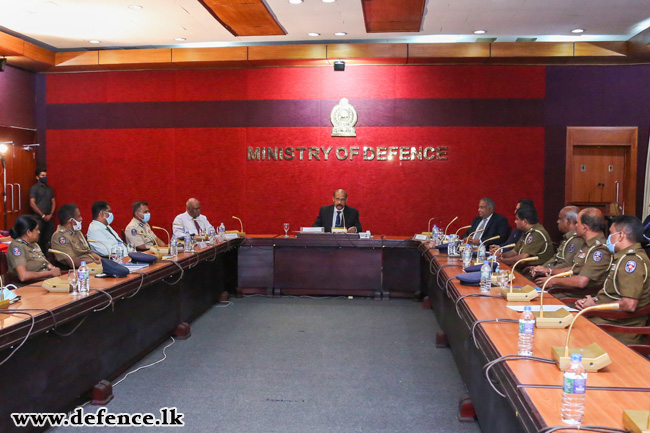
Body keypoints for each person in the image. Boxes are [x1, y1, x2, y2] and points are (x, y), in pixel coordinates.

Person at [575, 215, 650, 345]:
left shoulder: (631, 262)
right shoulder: (624, 257)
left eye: (610, 233)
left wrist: (595, 307)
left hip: (617, 327)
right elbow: (613, 294)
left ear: (621, 236)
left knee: (569, 330)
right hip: (606, 319)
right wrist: (593, 301)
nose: (608, 238)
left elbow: (629, 304)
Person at [533, 208, 611, 295]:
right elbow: (575, 268)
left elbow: (581, 281)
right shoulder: (587, 244)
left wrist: (553, 281)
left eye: (577, 223)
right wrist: (549, 271)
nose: (575, 226)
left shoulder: (600, 250)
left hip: (576, 297)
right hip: (567, 290)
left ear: (584, 227)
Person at [527, 206, 584, 277]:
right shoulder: (568, 238)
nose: (557, 221)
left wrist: (547, 271)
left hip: (557, 278)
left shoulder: (576, 241)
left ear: (568, 222)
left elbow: (566, 265)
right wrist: (540, 268)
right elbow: (555, 259)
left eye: (560, 219)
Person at [7, 215, 61, 286]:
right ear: (28, 232)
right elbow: (23, 276)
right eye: (37, 229)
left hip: (45, 281)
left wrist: (52, 269)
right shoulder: (17, 246)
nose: (39, 232)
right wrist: (50, 273)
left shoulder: (34, 244)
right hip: (29, 286)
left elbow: (44, 263)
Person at [50, 203, 101, 268]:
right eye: (79, 216)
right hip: (81, 270)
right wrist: (95, 264)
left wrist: (100, 260)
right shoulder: (60, 236)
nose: (81, 219)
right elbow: (73, 262)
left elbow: (88, 251)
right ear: (71, 221)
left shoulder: (77, 232)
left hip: (93, 264)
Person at [29, 168, 56, 253]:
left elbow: (53, 202)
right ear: (37, 177)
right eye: (42, 175)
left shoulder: (49, 188)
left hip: (49, 218)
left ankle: (49, 259)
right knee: (37, 240)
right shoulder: (34, 188)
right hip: (38, 219)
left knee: (48, 240)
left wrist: (51, 214)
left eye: (46, 175)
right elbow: (32, 203)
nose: (45, 177)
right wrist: (43, 215)